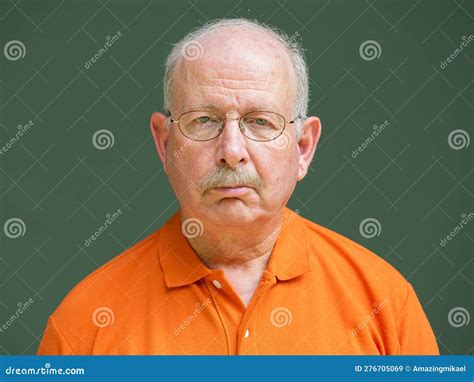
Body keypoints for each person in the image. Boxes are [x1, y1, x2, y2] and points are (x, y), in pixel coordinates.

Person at [37, 18, 439, 355]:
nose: (232, 151)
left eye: (260, 121)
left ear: (303, 148)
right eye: (204, 120)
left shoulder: (386, 304)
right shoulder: (84, 323)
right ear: (164, 144)